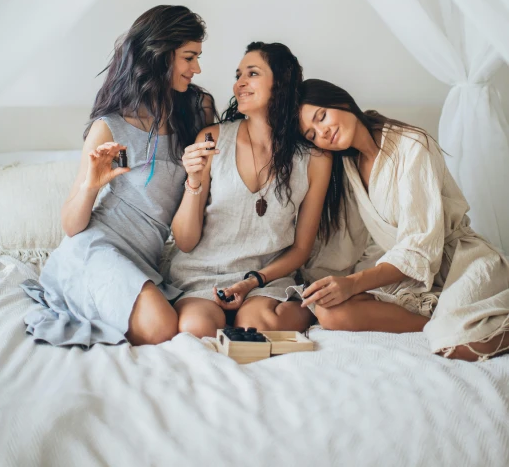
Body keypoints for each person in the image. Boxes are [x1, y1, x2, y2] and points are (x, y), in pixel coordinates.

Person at [21, 5, 214, 348]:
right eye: (188, 58)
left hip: (144, 258)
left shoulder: (197, 111)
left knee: (171, 325)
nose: (196, 68)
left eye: (197, 57)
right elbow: (71, 225)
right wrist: (90, 186)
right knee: (160, 328)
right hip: (95, 247)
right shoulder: (109, 125)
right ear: (160, 55)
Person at [298, 78, 509, 362]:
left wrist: (354, 283)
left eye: (321, 117)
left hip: (456, 263)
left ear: (342, 101)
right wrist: (314, 282)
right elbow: (349, 243)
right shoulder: (348, 165)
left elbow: (420, 246)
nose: (323, 132)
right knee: (329, 312)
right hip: (403, 274)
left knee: (457, 345)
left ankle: (450, 321)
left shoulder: (411, 144)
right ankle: (435, 320)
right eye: (312, 135)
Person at [169, 43, 333, 338]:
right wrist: (193, 180)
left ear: (280, 82)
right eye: (238, 75)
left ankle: (300, 307)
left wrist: (253, 282)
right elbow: (184, 240)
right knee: (196, 329)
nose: (239, 83)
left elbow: (301, 248)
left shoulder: (316, 160)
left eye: (252, 73)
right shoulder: (212, 138)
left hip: (265, 280)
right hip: (206, 275)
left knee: (257, 328)